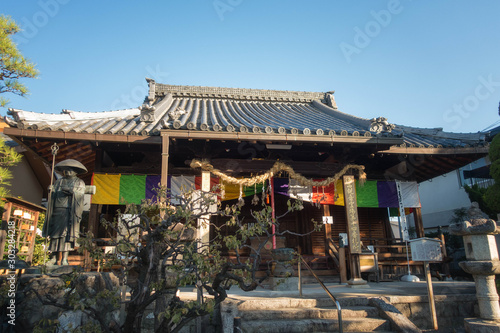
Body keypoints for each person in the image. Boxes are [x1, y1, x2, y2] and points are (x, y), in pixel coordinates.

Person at [43, 159, 87, 265]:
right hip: (57, 210)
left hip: (69, 212)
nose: (67, 172)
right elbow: (53, 195)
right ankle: (53, 258)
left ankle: (64, 259)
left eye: (70, 170)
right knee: (54, 235)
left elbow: (80, 194)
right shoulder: (59, 182)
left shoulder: (79, 182)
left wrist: (72, 192)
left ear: (76, 171)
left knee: (66, 235)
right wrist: (51, 191)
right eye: (65, 170)